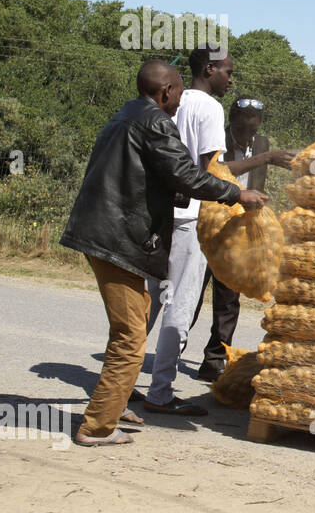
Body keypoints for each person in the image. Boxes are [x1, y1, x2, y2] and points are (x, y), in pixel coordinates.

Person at [61, 61, 267, 446]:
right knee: (130, 334)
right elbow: (185, 173)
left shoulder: (124, 115)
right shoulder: (155, 121)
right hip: (114, 237)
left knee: (136, 314)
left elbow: (145, 175)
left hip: (103, 230)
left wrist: (174, 193)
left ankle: (114, 402)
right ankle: (97, 427)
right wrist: (236, 193)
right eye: (176, 94)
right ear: (167, 91)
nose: (179, 102)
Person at [141, 47, 239, 415]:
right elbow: (210, 169)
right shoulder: (210, 108)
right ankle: (161, 392)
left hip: (161, 213)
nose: (230, 79)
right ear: (209, 69)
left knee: (148, 303)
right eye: (227, 72)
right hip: (191, 218)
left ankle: (119, 379)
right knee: (180, 306)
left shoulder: (170, 99)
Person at [195, 96, 294, 381]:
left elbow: (257, 177)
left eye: (254, 125)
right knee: (193, 292)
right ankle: (171, 354)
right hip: (211, 223)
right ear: (232, 120)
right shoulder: (219, 140)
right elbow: (218, 171)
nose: (249, 131)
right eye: (243, 125)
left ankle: (214, 359)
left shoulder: (261, 143)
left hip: (239, 228)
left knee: (229, 297)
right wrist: (266, 158)